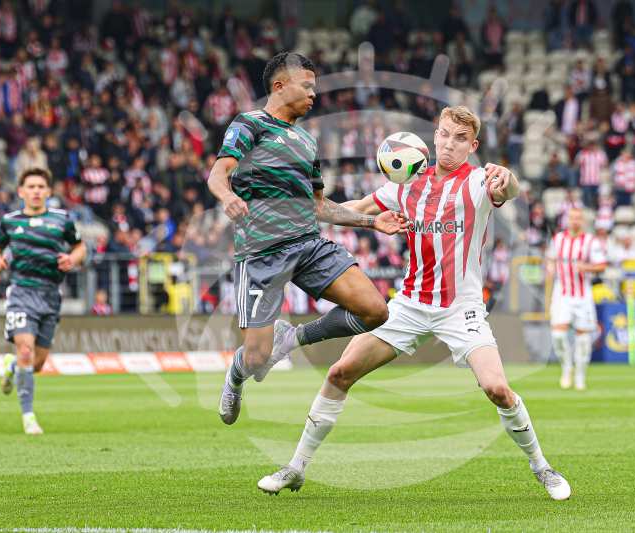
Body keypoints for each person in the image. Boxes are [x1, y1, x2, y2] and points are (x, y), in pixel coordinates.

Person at [257, 106, 572, 501]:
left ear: (472, 146)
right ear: (434, 136)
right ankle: (295, 468)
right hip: (409, 304)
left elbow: (506, 192)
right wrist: (304, 215)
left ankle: (542, 467)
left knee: (497, 389)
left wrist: (509, 180)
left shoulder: (477, 182)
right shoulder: (406, 179)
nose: (449, 144)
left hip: (462, 307)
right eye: (444, 134)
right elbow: (355, 208)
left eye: (460, 139)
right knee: (340, 372)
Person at [206, 52, 412, 426]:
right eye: (308, 86)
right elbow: (218, 173)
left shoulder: (306, 141)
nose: (314, 94)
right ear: (280, 86)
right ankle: (235, 375)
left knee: (375, 310)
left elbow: (320, 206)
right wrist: (228, 196)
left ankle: (294, 338)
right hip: (262, 253)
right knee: (255, 359)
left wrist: (371, 222)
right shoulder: (250, 124)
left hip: (308, 244)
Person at [0, 167, 87, 435]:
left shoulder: (62, 220)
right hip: (21, 292)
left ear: (48, 191)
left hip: (50, 295)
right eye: (30, 187)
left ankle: (11, 367)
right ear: (21, 192)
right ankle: (29, 416)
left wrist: (72, 259)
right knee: (24, 350)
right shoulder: (9, 221)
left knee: (37, 364)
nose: (35, 191)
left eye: (40, 187)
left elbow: (80, 247)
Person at [547, 208, 607, 391]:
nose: (575, 221)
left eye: (578, 218)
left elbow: (601, 265)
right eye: (572, 218)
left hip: (582, 295)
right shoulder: (558, 239)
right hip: (562, 293)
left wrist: (586, 268)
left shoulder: (590, 241)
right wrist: (550, 269)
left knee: (583, 339)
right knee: (557, 335)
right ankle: (567, 367)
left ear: (582, 221)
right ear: (567, 220)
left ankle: (580, 375)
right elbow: (550, 260)